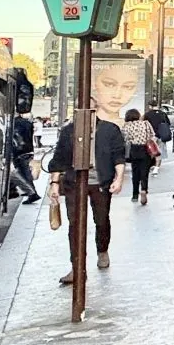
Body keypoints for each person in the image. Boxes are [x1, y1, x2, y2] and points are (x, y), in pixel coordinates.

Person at [47, 114, 128, 283]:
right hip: (74, 183)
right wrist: (54, 183)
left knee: (101, 220)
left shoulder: (109, 129)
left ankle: (102, 250)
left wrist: (118, 179)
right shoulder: (69, 131)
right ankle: (77, 267)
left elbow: (118, 155)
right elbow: (59, 158)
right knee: (75, 224)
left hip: (101, 182)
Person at [121, 107, 159, 205]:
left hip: (134, 150)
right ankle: (144, 189)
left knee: (135, 173)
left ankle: (134, 194)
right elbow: (153, 135)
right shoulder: (145, 123)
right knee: (144, 172)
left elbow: (125, 138)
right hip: (145, 150)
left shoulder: (126, 126)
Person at [8, 109, 40, 205]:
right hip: (28, 149)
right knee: (23, 172)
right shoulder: (27, 123)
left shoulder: (14, 124)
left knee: (22, 173)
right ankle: (21, 191)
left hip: (19, 151)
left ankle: (32, 193)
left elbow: (15, 138)